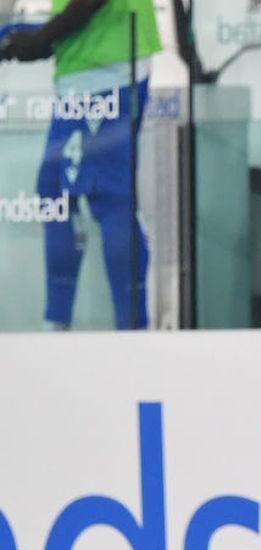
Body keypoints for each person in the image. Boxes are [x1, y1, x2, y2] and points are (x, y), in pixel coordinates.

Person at [0, 0, 160, 329]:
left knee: (108, 197)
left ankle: (132, 332)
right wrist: (47, 35)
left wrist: (45, 36)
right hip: (88, 59)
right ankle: (59, 323)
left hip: (108, 62)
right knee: (55, 191)